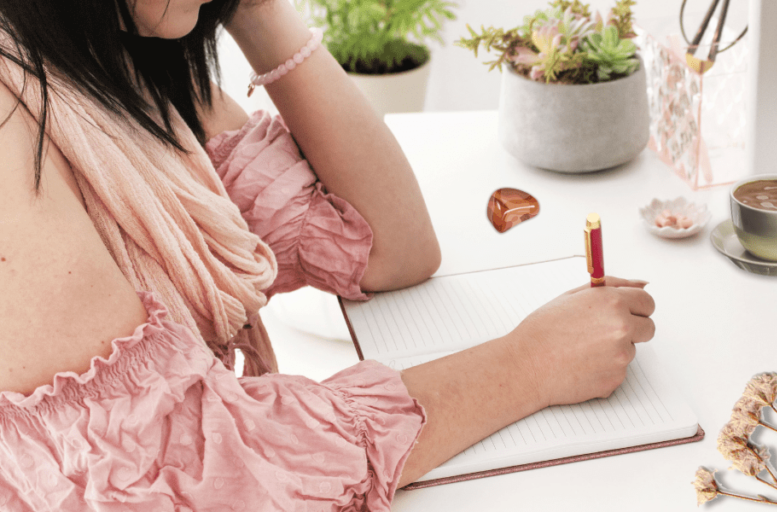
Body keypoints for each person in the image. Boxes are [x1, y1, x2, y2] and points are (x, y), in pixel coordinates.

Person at [0, 0, 656, 510]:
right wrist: (530, 363)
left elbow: (388, 247)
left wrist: (257, 13)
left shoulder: (114, 57)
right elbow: (208, 482)